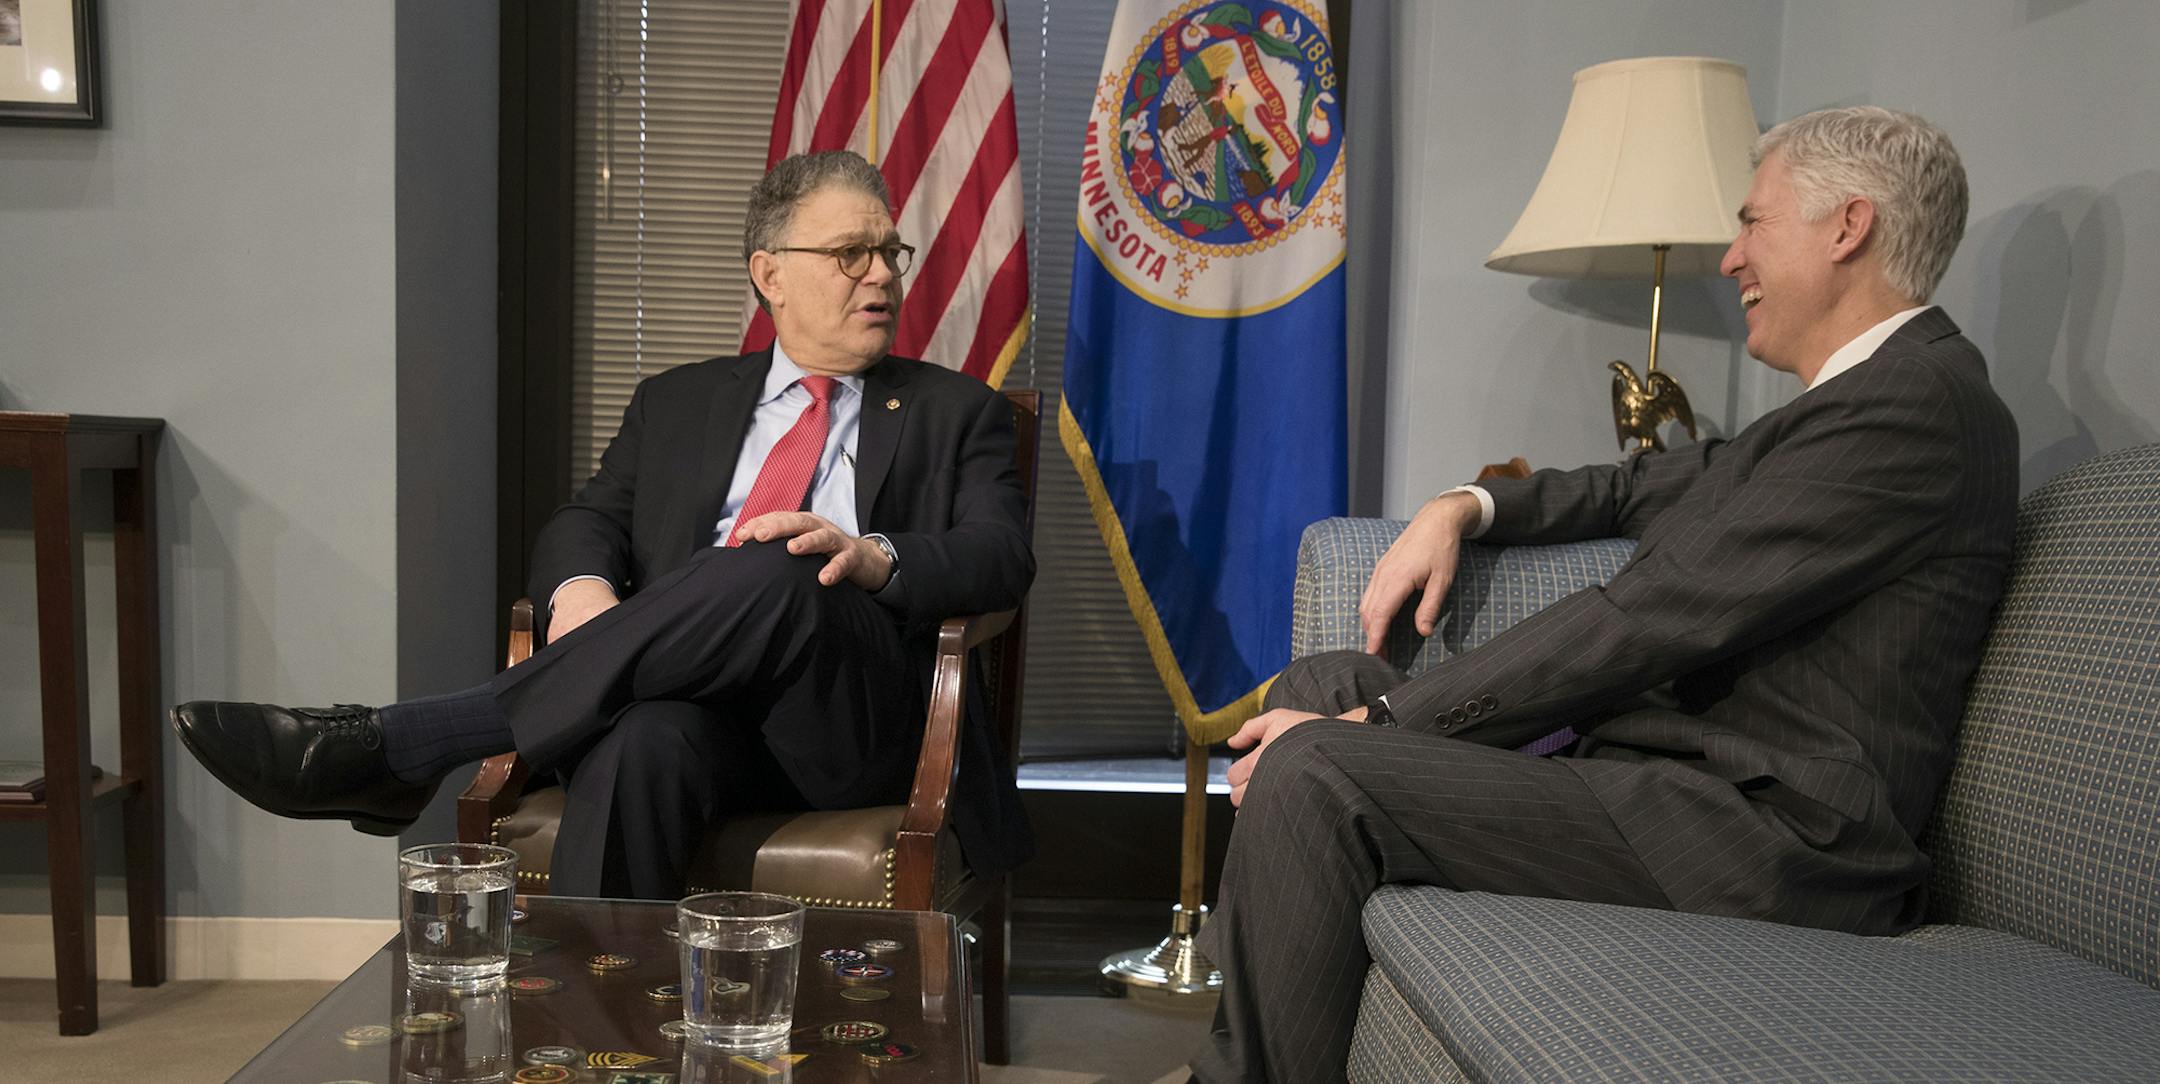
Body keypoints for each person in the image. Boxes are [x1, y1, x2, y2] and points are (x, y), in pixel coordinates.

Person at [1190, 106, 2019, 1083]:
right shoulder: (1842, 404)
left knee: (1321, 764)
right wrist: (1464, 507)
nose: (1729, 258)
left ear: (1847, 226)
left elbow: (1653, 616)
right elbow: (1634, 485)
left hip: (1766, 839)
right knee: (1327, 684)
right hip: (1662, 780)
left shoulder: (1915, 407)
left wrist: (1385, 723)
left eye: (1754, 222)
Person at [172, 150, 1035, 899]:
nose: (882, 274)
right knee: (644, 744)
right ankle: (595, 1028)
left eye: (889, 251)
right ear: (769, 273)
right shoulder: (679, 402)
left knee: (777, 558)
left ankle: (410, 742)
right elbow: (588, 519)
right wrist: (583, 588)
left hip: (857, 722)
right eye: (852, 253)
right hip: (693, 708)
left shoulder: (956, 411)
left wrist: (874, 554)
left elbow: (1001, 558)